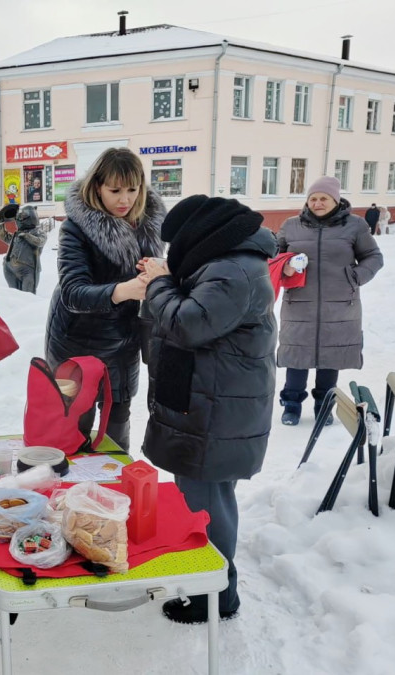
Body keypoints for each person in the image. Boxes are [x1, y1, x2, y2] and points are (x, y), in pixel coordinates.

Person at [140, 196, 278, 624]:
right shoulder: (226, 262)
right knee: (206, 495)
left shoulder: (233, 269)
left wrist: (158, 283)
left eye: (176, 242)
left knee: (206, 501)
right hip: (211, 403)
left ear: (199, 234)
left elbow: (188, 322)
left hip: (218, 411)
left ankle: (215, 594)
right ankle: (208, 581)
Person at [44, 147, 165, 452]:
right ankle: (72, 495)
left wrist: (159, 272)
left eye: (132, 190)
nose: (125, 200)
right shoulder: (76, 228)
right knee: (75, 426)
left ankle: (114, 492)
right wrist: (122, 290)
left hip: (124, 343)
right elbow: (73, 291)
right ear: (97, 187)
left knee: (117, 425)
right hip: (77, 342)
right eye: (115, 190)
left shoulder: (147, 225)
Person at [276, 176, 383, 426]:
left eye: (323, 198)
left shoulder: (355, 225)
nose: (317, 203)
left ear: (335, 200)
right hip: (299, 302)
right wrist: (286, 266)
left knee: (330, 356)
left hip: (340, 303)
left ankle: (324, 406)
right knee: (297, 355)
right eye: (313, 198)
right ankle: (291, 405)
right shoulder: (291, 226)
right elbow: (274, 257)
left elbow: (373, 257)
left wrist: (354, 277)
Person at [0, 203, 48, 293]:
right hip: (10, 268)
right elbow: (4, 237)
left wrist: (27, 236)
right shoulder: (17, 233)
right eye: (19, 217)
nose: (19, 220)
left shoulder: (38, 232)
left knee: (28, 295)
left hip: (28, 269)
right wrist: (1, 223)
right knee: (15, 295)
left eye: (22, 217)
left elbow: (40, 241)